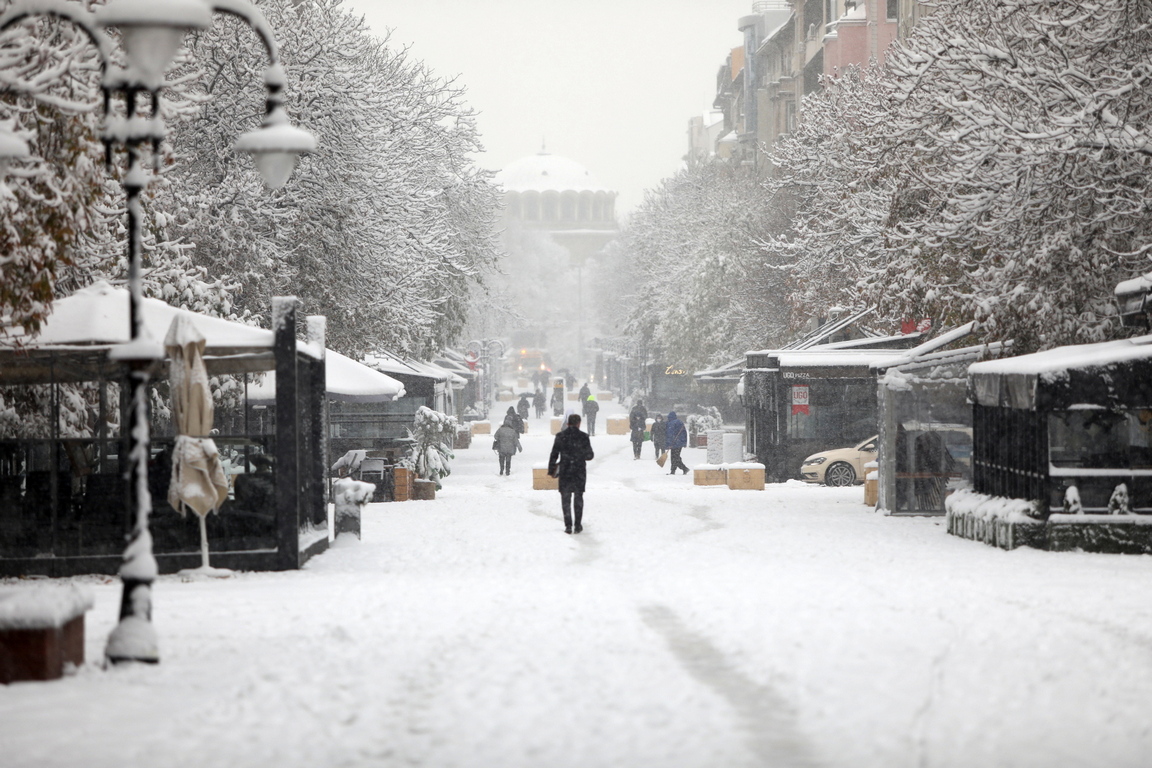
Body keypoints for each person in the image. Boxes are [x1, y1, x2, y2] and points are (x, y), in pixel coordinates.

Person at [548, 413, 595, 534]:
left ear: (568, 423)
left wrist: (551, 469)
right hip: (579, 471)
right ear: (579, 423)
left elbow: (554, 454)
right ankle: (578, 525)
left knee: (566, 498)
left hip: (565, 471)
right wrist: (580, 455)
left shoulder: (560, 436)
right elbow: (590, 455)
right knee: (578, 498)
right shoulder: (583, 437)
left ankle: (568, 525)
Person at [665, 411, 689, 475]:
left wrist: (669, 443)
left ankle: (683, 469)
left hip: (676, 443)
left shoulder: (671, 423)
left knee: (675, 458)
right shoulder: (677, 422)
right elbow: (684, 433)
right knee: (675, 457)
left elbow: (670, 434)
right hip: (677, 443)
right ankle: (675, 470)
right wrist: (684, 442)